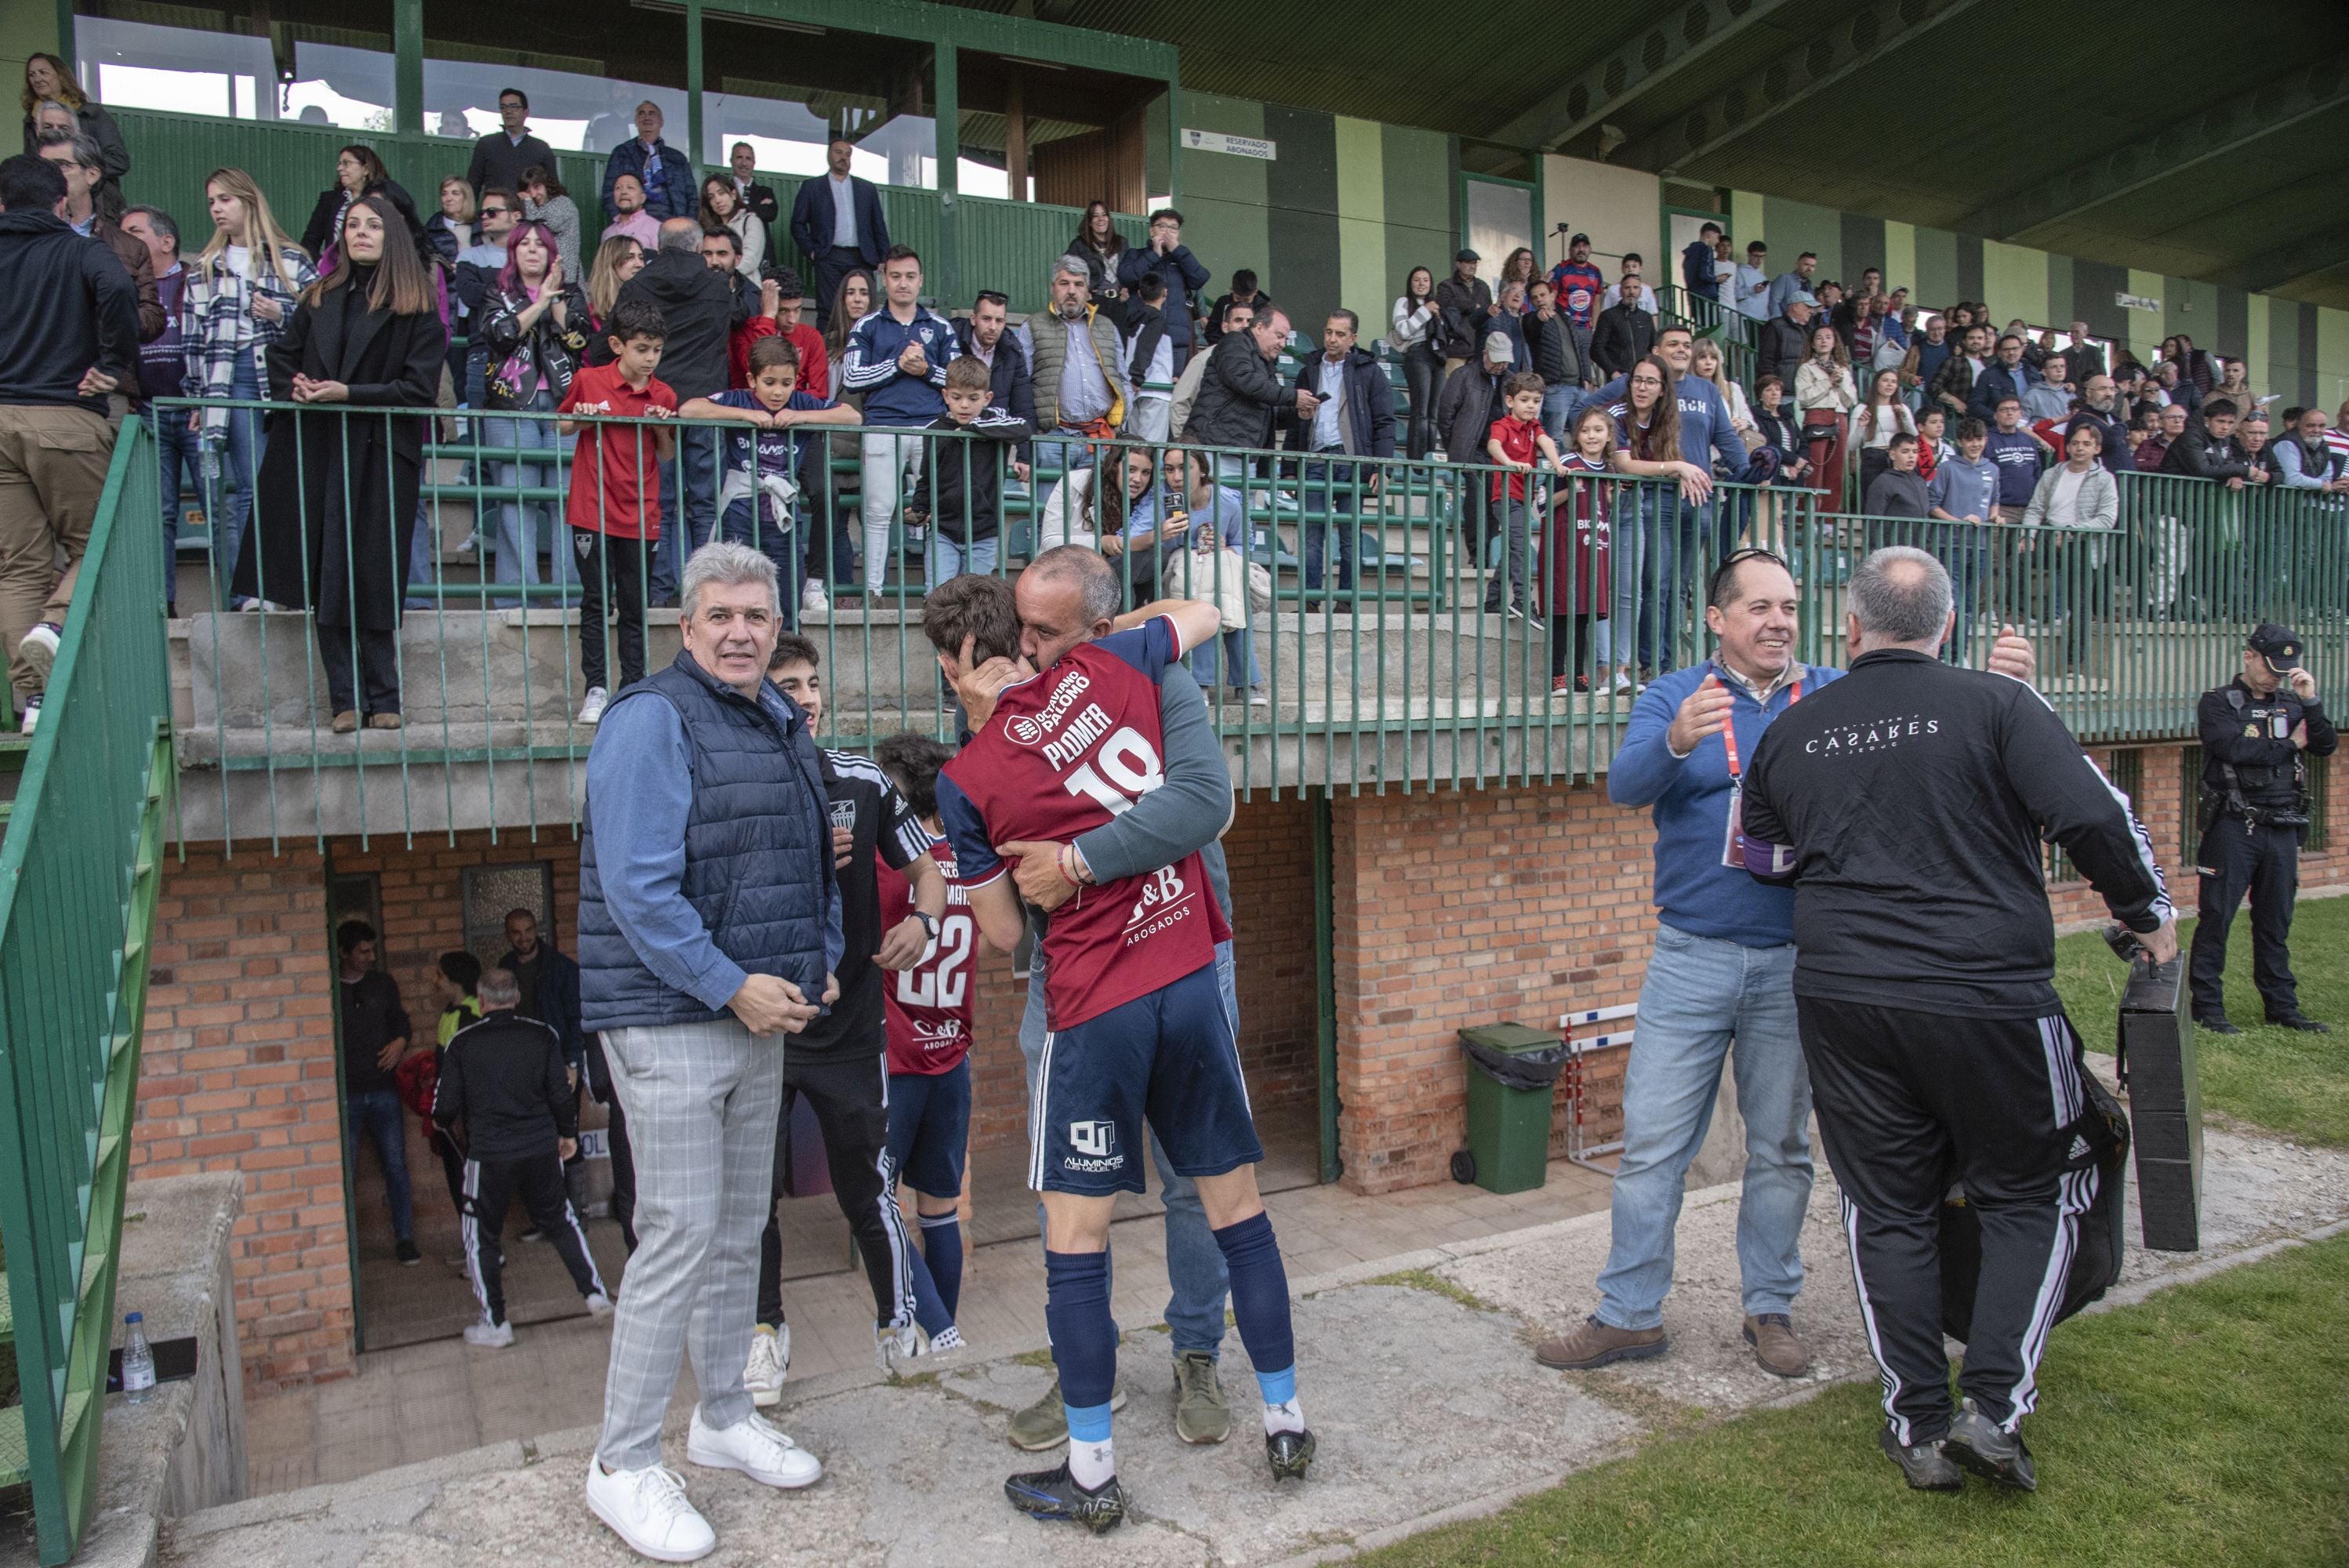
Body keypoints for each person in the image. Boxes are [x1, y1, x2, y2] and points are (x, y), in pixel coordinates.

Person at [1736, 545, 2169, 1494]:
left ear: (1847, 629)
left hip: (1844, 997)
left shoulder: (1791, 728)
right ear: (1948, 625)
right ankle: (1993, 1406)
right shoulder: (2000, 704)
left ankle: (1916, 1424)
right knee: (2033, 1189)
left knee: (1886, 1206)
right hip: (1985, 996)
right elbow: (2091, 819)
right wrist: (2146, 918)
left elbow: (1760, 854)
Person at [922, 570, 1314, 1529]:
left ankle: (1092, 1472)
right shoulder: (1116, 660)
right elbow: (1204, 613)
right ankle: (1286, 1422)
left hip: (1093, 1004)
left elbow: (1008, 935)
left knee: (1077, 1237)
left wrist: (1035, 834)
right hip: (1185, 973)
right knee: (1240, 1209)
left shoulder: (966, 775)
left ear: (957, 665)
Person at [578, 539, 839, 1561]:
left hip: (756, 1016)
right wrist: (731, 982)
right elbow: (638, 891)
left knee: (739, 1231)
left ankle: (723, 1416)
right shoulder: (650, 721)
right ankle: (624, 1464)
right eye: (719, 615)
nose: (739, 631)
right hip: (675, 1017)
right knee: (682, 1235)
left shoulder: (771, 717)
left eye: (755, 617)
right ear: (685, 628)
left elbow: (810, 862)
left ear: (776, 629)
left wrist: (813, 962)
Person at [749, 635, 949, 1386]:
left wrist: (922, 922)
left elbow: (927, 869)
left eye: (811, 684)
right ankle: (764, 1334)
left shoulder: (862, 781)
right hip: (762, 1029)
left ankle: (899, 1326)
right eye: (787, 685)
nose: (804, 697)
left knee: (868, 1193)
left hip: (849, 1031)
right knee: (751, 1204)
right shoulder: (733, 787)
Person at [233, 194, 444, 733]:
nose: (362, 233)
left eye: (374, 225)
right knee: (327, 571)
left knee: (373, 571)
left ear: (392, 235)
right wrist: (297, 386)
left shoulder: (417, 304)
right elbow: (282, 355)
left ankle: (385, 694)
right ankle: (344, 700)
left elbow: (419, 390)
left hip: (379, 452)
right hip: (321, 447)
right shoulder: (320, 296)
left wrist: (348, 392)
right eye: (353, 225)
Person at [872, 731, 980, 1354]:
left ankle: (936, 1328)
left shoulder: (889, 864)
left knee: (877, 1198)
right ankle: (949, 1335)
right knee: (939, 1208)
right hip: (952, 1054)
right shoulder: (967, 858)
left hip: (897, 1058)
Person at [436, 966, 612, 1347]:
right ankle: (594, 1294)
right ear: (516, 998)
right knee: (562, 1221)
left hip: (488, 1156)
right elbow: (560, 1094)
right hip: (539, 1149)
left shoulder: (462, 1043)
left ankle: (496, 1323)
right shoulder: (542, 1036)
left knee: (481, 1236)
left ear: (481, 1002)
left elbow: (443, 1108)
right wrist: (567, 1134)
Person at [2188, 625, 2338, 1036]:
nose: (2277, 676)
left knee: (2276, 922)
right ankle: (2207, 1008)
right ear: (2249, 657)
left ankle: (2282, 1007)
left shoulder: (2292, 703)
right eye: (2272, 667)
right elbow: (2235, 749)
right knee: (2216, 918)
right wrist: (2292, 744)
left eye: (2285, 670)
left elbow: (2324, 744)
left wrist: (2311, 701)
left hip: (2283, 825)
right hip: (2235, 825)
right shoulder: (2218, 703)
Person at [180, 168, 314, 610]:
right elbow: (192, 340)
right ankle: (252, 592)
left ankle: (283, 587)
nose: (216, 208)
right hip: (228, 381)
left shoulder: (292, 259)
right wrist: (199, 396)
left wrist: (281, 314)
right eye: (212, 201)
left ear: (248, 202)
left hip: (280, 384)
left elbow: (323, 325)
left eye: (225, 200)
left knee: (284, 487)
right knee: (249, 487)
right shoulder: (202, 269)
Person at [614, 218, 748, 604]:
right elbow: (741, 315)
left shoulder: (638, 284)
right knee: (706, 502)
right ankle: (707, 595)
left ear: (658, 246)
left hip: (658, 405)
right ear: (696, 246)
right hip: (706, 407)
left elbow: (611, 342)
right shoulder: (716, 284)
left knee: (662, 501)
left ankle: (658, 592)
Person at [560, 298, 675, 722]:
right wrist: (583, 415)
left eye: (657, 350)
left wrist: (664, 425)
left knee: (634, 605)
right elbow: (562, 424)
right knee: (595, 601)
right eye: (642, 349)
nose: (650, 359)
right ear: (617, 345)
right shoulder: (590, 380)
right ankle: (595, 687)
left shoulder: (663, 393)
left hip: (641, 513)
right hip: (592, 509)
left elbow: (665, 454)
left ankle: (633, 686)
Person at [686, 335, 861, 612]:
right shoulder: (739, 399)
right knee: (738, 595)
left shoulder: (801, 403)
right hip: (740, 513)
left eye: (786, 383)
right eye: (769, 383)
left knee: (787, 600)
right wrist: (743, 415)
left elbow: (852, 416)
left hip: (783, 518)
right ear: (752, 379)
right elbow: (689, 409)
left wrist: (803, 418)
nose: (778, 392)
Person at [841, 245, 957, 599]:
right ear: (884, 280)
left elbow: (960, 380)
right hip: (881, 426)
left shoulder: (939, 326)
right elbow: (852, 377)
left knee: (933, 511)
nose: (902, 284)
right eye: (895, 277)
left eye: (909, 277)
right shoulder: (868, 325)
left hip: (930, 428)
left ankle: (933, 595)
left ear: (920, 281)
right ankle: (874, 592)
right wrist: (896, 364)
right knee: (879, 511)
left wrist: (925, 370)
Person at [1283, 308, 1396, 595]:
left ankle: (1346, 601)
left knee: (1349, 536)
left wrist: (1383, 468)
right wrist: (1288, 468)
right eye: (1328, 332)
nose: (1332, 339)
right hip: (1315, 460)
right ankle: (1310, 601)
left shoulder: (1369, 372)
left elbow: (1384, 423)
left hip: (1352, 462)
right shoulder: (1309, 369)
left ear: (1353, 338)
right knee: (1311, 535)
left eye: (1340, 334)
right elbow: (1296, 423)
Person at [121, 205, 194, 611]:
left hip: (196, 411)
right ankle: (162, 605)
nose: (125, 241)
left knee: (221, 510)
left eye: (135, 232)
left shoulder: (196, 280)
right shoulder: (123, 288)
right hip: (148, 411)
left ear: (166, 241)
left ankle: (239, 602)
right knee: (159, 516)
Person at [902, 354, 1030, 584]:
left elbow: (1023, 428)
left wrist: (974, 427)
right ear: (945, 396)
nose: (964, 405)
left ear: (987, 398)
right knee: (939, 595)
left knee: (976, 599)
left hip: (984, 532)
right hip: (943, 531)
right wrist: (920, 508)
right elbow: (927, 476)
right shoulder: (935, 430)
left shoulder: (994, 421)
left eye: (973, 398)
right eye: (957, 397)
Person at [2020, 422, 2118, 670]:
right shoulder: (2052, 474)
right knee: (2013, 560)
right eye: (2075, 443)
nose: (2079, 448)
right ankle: (2026, 615)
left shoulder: (2105, 479)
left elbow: (2107, 519)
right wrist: (2028, 535)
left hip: (2084, 543)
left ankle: (2074, 661)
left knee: (2081, 603)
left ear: (2096, 448)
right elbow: (2035, 509)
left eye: (2086, 444)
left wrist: (2073, 530)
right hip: (2049, 536)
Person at [1484, 371, 1563, 619]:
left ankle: (1493, 599)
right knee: (1520, 548)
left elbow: (1547, 442)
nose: (1531, 406)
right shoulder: (1502, 425)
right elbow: (1493, 445)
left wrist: (1557, 464)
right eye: (1525, 400)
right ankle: (1521, 600)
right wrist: (1508, 462)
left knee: (1512, 549)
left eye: (1536, 401)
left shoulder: (1534, 427)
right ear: (1510, 402)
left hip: (1521, 497)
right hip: (1505, 496)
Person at [1436, 331, 1516, 571]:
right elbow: (1446, 415)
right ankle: (1477, 553)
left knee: (1494, 501)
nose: (1501, 365)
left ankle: (1490, 550)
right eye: (1497, 359)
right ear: (1485, 354)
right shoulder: (1463, 376)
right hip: (1471, 449)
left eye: (1505, 360)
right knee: (1476, 497)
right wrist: (1455, 447)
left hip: (1499, 452)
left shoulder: (1511, 379)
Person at [790, 137, 889, 330]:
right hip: (829, 255)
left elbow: (879, 226)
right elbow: (797, 224)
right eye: (839, 152)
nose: (843, 158)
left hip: (862, 257)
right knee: (828, 310)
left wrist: (884, 258)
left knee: (865, 310)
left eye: (848, 154)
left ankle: (864, 352)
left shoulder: (866, 188)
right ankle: (826, 355)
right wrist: (811, 251)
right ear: (829, 155)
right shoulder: (812, 187)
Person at [1549, 405, 1616, 694]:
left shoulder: (1611, 469)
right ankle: (1557, 675)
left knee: (1585, 612)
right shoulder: (1567, 461)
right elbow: (1543, 503)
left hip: (1595, 548)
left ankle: (1578, 674)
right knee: (1565, 609)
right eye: (1586, 430)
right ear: (1577, 434)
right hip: (1566, 546)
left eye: (1598, 430)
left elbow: (1607, 511)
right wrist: (1570, 490)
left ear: (1609, 435)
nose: (1591, 436)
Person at [20, 54, 128, 216]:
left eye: (43, 72)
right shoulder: (31, 120)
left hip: (99, 204)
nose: (37, 79)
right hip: (49, 204)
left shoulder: (91, 114)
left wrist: (78, 169)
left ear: (61, 76)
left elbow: (119, 160)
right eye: (32, 74)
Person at [1184, 304, 1288, 459]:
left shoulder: (1267, 365)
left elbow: (1270, 414)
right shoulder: (1233, 342)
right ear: (1259, 328)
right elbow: (1244, 380)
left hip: (1245, 456)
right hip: (1214, 449)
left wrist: (1299, 412)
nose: (1283, 344)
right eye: (1280, 336)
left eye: (1286, 338)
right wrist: (1293, 396)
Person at [1116, 208, 1208, 368]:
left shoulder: (1182, 259)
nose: (1168, 232)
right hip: (1141, 336)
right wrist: (1153, 255)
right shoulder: (1136, 255)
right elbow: (1126, 277)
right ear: (1152, 230)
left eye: (1173, 228)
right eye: (1163, 226)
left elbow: (1200, 278)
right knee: (1140, 387)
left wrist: (1179, 252)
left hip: (1176, 340)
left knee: (1173, 390)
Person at [299, 144, 423, 263]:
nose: (339, 168)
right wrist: (321, 265)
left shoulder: (386, 197)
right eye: (340, 163)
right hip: (334, 273)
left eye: (347, 163)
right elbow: (310, 240)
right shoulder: (329, 200)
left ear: (366, 169)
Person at [599, 101, 691, 226]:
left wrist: (686, 227)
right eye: (642, 113)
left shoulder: (677, 158)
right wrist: (623, 223)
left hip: (672, 225)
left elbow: (692, 198)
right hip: (633, 225)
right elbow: (609, 193)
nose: (647, 117)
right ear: (636, 121)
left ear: (661, 121)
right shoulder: (622, 152)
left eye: (652, 113)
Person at [1794, 325, 1856, 511]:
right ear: (1813, 344)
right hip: (1817, 415)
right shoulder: (1806, 368)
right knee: (1815, 468)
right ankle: (1808, 515)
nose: (1824, 341)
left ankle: (1829, 518)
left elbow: (1850, 399)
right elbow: (1804, 397)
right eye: (1819, 338)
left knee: (1836, 471)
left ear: (1834, 342)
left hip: (1840, 416)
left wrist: (1840, 384)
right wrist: (1827, 383)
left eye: (1828, 337)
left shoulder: (1843, 370)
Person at [1524, 278, 1588, 445]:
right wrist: (1540, 319)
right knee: (1554, 439)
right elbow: (1531, 326)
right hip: (1555, 388)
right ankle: (1553, 471)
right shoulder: (1531, 318)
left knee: (1583, 438)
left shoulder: (1565, 318)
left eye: (1543, 295)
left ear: (1552, 296)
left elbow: (1580, 348)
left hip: (1579, 387)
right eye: (1535, 297)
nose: (1539, 300)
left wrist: (1587, 377)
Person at [467, 87, 554, 203]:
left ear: (526, 112)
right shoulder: (486, 144)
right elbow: (473, 185)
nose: (508, 111)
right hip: (495, 215)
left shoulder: (541, 148)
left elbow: (553, 189)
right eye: (503, 107)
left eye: (514, 106)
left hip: (530, 217)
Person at [1392, 265, 1442, 460]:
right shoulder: (1404, 302)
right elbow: (1403, 331)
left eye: (1426, 280)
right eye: (1417, 280)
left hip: (1437, 356)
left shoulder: (1437, 304)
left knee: (1433, 414)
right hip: (1417, 354)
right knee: (1420, 412)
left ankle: (1430, 459)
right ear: (1410, 283)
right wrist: (1425, 311)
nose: (1421, 284)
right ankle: (1416, 461)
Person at [1120, 271, 1174, 441]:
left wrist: (1133, 380)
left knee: (1135, 447)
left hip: (1133, 390)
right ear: (1165, 292)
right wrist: (1137, 377)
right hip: (1156, 389)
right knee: (1151, 449)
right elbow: (1146, 347)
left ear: (1139, 294)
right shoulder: (1157, 319)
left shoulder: (1130, 319)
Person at [1548, 234, 1605, 371]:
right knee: (1566, 366)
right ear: (1570, 250)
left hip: (1585, 329)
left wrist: (1595, 329)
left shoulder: (1596, 272)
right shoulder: (1561, 268)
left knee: (1586, 369)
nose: (1581, 249)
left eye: (1584, 246)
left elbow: (1597, 302)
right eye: (1577, 246)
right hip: (1564, 326)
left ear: (1590, 249)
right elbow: (1551, 297)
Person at [1435, 248, 1491, 376]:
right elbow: (1444, 304)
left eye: (1475, 263)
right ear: (1458, 264)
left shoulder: (1483, 287)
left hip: (1478, 347)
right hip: (1456, 348)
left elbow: (1488, 313)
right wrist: (1470, 305)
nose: (1472, 266)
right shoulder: (1447, 285)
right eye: (1468, 262)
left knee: (1473, 390)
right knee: (1453, 388)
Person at [1588, 276, 1654, 380]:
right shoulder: (1608, 316)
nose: (1632, 291)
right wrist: (1613, 372)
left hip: (1643, 379)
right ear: (1620, 291)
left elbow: (1653, 348)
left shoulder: (1646, 317)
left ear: (1641, 291)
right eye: (1627, 288)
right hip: (1618, 381)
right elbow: (1596, 349)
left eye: (1636, 288)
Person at [699, 175, 765, 280]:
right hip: (714, 288)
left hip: (745, 288)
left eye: (721, 193)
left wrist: (724, 277)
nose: (718, 200)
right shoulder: (707, 228)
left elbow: (750, 259)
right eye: (711, 197)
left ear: (733, 194)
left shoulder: (751, 221)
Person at [1066, 199, 1126, 311]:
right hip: (1094, 300)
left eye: (1104, 215)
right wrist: (1083, 288)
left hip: (1120, 302)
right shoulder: (1080, 245)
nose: (1101, 219)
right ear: (1089, 221)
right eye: (1095, 216)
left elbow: (1129, 270)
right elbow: (1066, 269)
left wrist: (1128, 288)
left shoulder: (1121, 242)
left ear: (1109, 218)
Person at [2273, 405, 2349, 491]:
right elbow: (2291, 479)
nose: (2316, 430)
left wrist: (2322, 485)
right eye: (2310, 426)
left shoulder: (2322, 444)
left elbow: (2327, 478)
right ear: (2299, 425)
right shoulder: (2287, 443)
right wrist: (2321, 485)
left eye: (2322, 426)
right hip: (2286, 502)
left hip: (2308, 502)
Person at [1752, 290, 1813, 396]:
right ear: (1795, 307)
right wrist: (1773, 387)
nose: (1811, 311)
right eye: (1807, 307)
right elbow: (1767, 358)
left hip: (1803, 390)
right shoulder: (1775, 326)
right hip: (1782, 392)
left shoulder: (1808, 330)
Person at [584, 233, 643, 336]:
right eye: (629, 257)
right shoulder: (591, 312)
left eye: (641, 258)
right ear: (611, 262)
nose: (640, 264)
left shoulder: (649, 300)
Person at [1864, 431, 1930, 519]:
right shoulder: (1883, 482)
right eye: (1905, 452)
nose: (1911, 456)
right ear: (1892, 455)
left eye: (1915, 452)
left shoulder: (1920, 481)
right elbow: (1873, 518)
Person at [1203, 268, 1270, 347]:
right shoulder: (1222, 303)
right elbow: (1211, 332)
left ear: (1255, 292)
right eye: (1238, 298)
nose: (1242, 302)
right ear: (1231, 290)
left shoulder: (1264, 309)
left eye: (1246, 299)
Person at [601, 174, 659, 252]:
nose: (623, 192)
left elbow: (661, 262)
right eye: (618, 188)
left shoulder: (655, 228)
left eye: (630, 187)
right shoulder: (607, 233)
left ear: (642, 198)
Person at [1730, 239, 1770, 326]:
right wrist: (1752, 290)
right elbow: (1733, 295)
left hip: (1763, 319)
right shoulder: (1740, 272)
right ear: (1749, 255)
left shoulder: (1762, 277)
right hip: (1746, 318)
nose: (1759, 260)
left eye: (1762, 257)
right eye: (1756, 256)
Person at [1681, 220, 1723, 303]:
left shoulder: (1691, 251)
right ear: (1709, 235)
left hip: (1693, 296)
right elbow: (1705, 274)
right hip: (1707, 295)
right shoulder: (1706, 249)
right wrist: (1717, 279)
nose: (1718, 242)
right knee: (1710, 316)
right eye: (1717, 237)